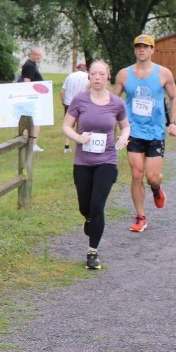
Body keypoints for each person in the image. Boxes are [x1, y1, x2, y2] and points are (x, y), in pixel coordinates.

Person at [62, 61, 130, 269]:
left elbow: (125, 126)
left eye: (102, 74)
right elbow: (66, 126)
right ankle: (89, 218)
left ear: (108, 76)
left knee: (97, 205)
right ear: (89, 77)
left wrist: (123, 137)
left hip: (107, 160)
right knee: (86, 206)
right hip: (83, 161)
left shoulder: (117, 103)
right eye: (94, 74)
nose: (98, 78)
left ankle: (93, 252)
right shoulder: (79, 100)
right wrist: (78, 138)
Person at [113, 34, 176, 233]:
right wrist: (114, 128)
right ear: (135, 50)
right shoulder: (124, 74)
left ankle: (156, 188)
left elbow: (174, 97)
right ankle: (140, 217)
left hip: (155, 132)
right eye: (138, 46)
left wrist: (173, 122)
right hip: (132, 130)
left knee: (152, 177)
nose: (141, 50)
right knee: (136, 174)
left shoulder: (163, 73)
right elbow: (113, 102)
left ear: (152, 50)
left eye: (146, 46)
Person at [20, 46, 45, 152]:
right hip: (32, 98)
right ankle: (32, 144)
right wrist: (30, 97)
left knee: (35, 121)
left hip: (35, 97)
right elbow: (27, 82)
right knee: (36, 120)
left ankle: (30, 143)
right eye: (36, 55)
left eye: (39, 55)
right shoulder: (29, 65)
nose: (38, 57)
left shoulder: (32, 65)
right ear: (32, 54)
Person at [61, 62, 89, 153]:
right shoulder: (87, 76)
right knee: (81, 124)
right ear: (85, 69)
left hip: (69, 102)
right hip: (82, 103)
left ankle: (66, 146)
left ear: (77, 69)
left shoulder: (70, 76)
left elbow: (62, 90)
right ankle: (80, 144)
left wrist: (63, 102)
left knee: (68, 125)